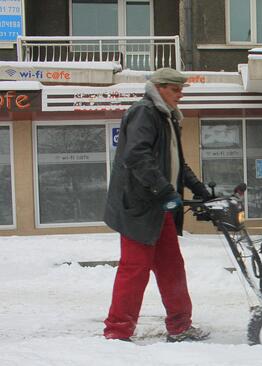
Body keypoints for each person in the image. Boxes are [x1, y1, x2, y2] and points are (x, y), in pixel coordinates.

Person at [103, 68, 212, 342]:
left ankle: (180, 326)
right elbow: (136, 156)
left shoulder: (168, 117)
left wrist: (200, 191)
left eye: (182, 90)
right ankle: (117, 332)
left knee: (172, 267)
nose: (180, 95)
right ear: (160, 87)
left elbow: (177, 164)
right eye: (176, 90)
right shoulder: (145, 112)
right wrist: (165, 191)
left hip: (160, 207)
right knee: (135, 269)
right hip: (139, 208)